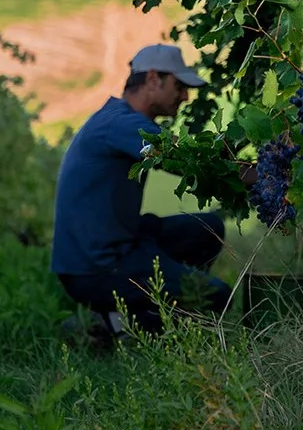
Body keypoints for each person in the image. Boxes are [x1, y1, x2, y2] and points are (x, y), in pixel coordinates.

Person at [51, 43, 231, 331]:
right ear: (152, 79)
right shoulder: (120, 124)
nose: (185, 96)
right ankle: (125, 323)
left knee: (207, 228)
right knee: (215, 295)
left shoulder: (117, 119)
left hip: (118, 244)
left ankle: (139, 313)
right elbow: (178, 160)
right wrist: (248, 174)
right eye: (179, 85)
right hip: (96, 267)